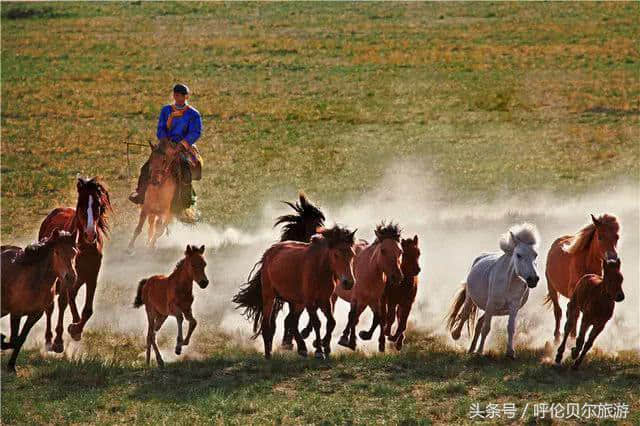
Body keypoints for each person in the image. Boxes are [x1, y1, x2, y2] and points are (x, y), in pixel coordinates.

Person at [129, 84, 203, 213]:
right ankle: (140, 194)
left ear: (186, 96)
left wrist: (181, 145)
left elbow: (195, 132)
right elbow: (161, 128)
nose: (177, 97)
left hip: (183, 147)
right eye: (175, 95)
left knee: (185, 169)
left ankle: (186, 199)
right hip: (165, 145)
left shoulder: (193, 114)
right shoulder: (166, 110)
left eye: (180, 95)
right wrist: (165, 143)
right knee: (147, 167)